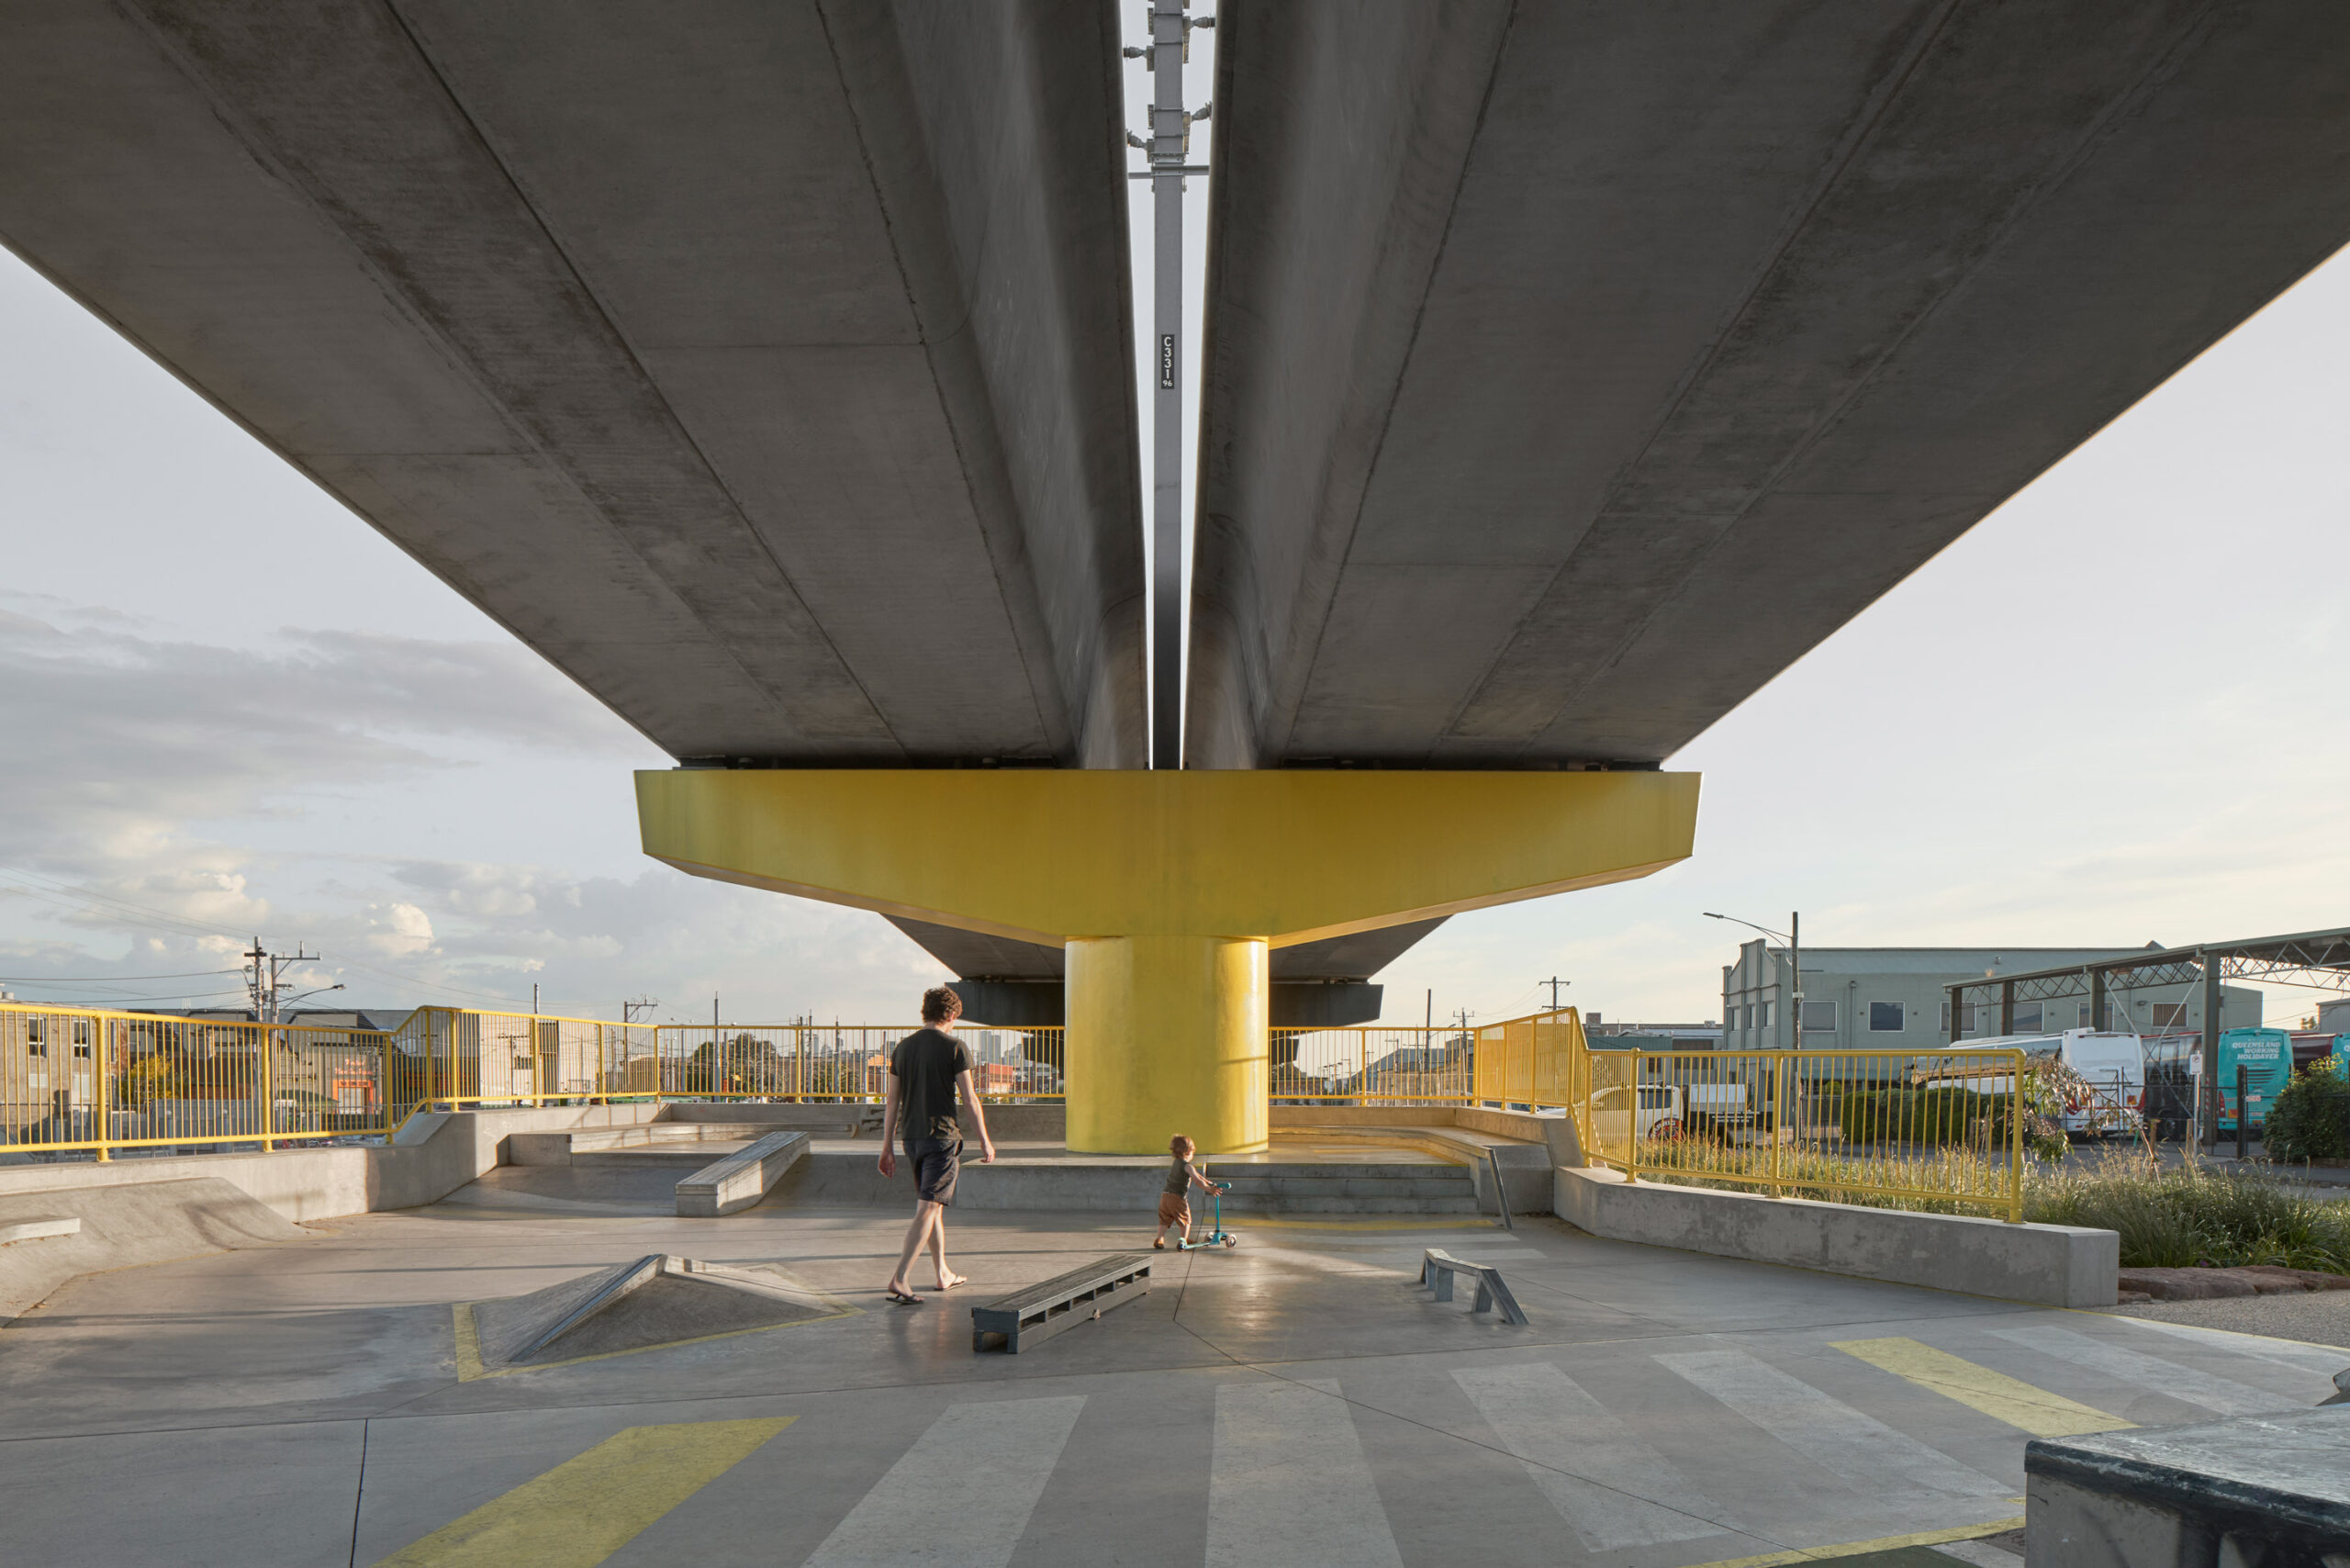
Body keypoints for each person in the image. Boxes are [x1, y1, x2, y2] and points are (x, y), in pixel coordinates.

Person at [877, 985, 995, 1304]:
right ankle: (900, 1277)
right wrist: (985, 1140)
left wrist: (886, 1146)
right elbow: (970, 1099)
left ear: (925, 1012)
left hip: (911, 1139)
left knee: (932, 1209)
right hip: (942, 1138)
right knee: (929, 1207)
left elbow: (891, 1102)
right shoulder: (955, 1047)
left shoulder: (902, 1048)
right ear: (952, 1014)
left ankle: (942, 1272)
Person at [1154, 1134, 1225, 1249]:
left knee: (1165, 1219)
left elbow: (1199, 1176)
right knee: (1186, 1219)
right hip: (1177, 1197)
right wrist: (1209, 1189)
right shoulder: (1188, 1166)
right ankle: (1183, 1239)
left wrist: (1209, 1182)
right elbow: (1197, 1180)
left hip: (1165, 1196)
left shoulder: (1176, 1162)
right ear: (1188, 1152)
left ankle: (1160, 1238)